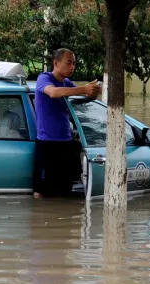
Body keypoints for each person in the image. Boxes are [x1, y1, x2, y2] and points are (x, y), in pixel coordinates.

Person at [33, 48, 101, 198]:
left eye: (74, 64)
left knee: (64, 191)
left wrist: (93, 92)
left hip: (65, 143)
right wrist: (84, 88)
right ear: (56, 63)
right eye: (68, 63)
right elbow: (54, 92)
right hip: (47, 144)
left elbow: (81, 99)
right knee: (41, 192)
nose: (72, 67)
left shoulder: (67, 83)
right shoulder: (44, 78)